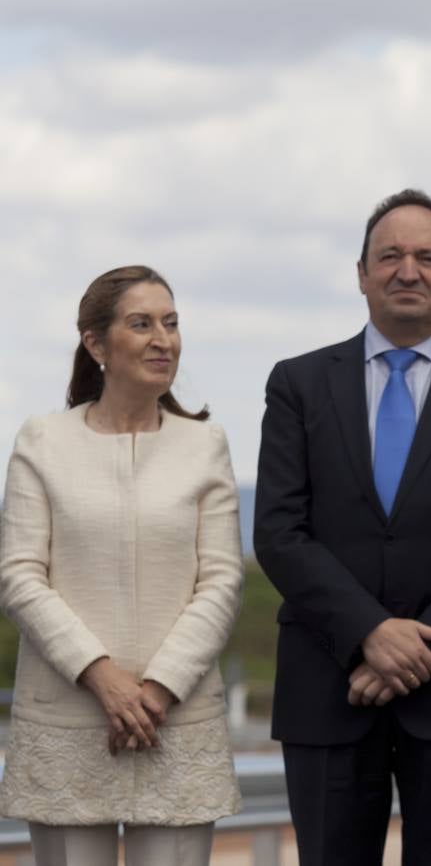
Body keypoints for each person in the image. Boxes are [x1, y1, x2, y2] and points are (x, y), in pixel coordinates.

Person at [254, 188, 431, 865]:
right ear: (360, 274)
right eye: (389, 256)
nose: (407, 271)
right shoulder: (296, 384)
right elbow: (278, 531)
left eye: (426, 258)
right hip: (327, 687)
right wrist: (368, 634)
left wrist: (419, 654)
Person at [0, 266, 244, 865]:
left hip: (176, 725)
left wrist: (157, 690)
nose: (164, 339)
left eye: (172, 323)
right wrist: (102, 676)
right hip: (67, 721)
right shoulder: (41, 442)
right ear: (96, 343)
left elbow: (220, 580)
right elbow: (21, 575)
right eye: (141, 324)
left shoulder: (205, 445)